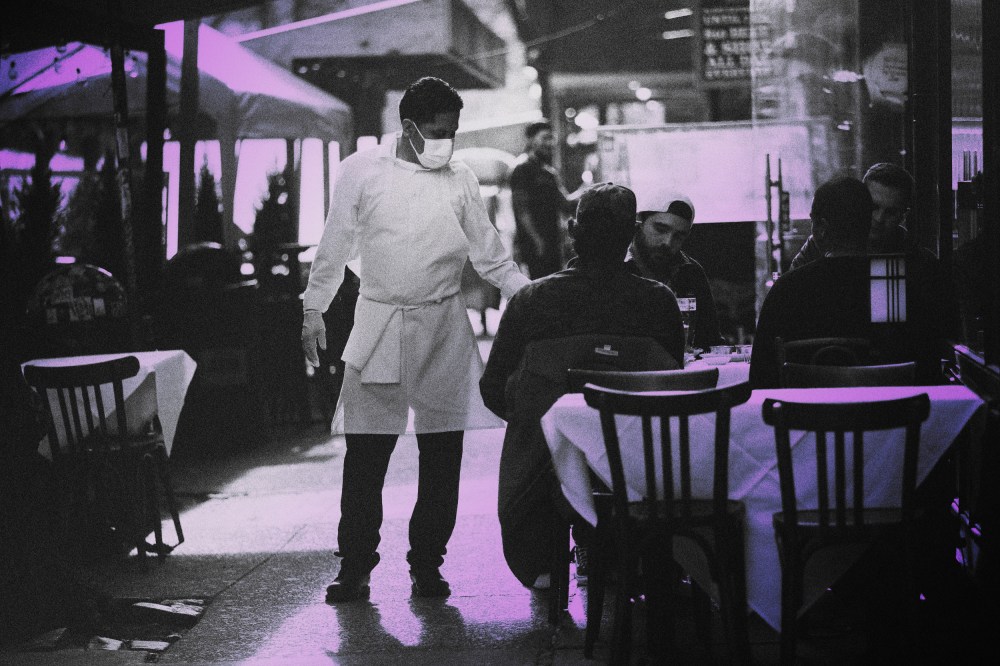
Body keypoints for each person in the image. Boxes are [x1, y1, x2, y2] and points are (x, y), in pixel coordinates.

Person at [300, 76, 530, 602]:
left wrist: (529, 295)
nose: (446, 141)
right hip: (378, 321)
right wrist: (313, 308)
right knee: (366, 457)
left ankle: (428, 563)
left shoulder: (460, 178)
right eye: (437, 131)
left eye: (452, 132)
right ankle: (355, 564)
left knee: (443, 453)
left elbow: (490, 255)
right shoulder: (360, 171)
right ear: (408, 128)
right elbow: (333, 246)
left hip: (444, 324)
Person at [481, 182, 684, 588]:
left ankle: (547, 558)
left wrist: (552, 425)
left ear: (572, 230)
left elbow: (494, 389)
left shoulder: (531, 302)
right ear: (631, 237)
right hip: (637, 468)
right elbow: (674, 385)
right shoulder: (659, 303)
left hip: (547, 471)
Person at [750, 176, 953, 388]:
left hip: (806, 417)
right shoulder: (892, 285)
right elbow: (927, 372)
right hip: (888, 416)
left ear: (821, 227)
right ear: (868, 223)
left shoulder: (788, 289)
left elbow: (762, 376)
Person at [625, 189, 724, 351]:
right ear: (639, 222)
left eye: (679, 236)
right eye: (660, 229)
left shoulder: (691, 273)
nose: (668, 242)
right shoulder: (616, 267)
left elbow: (710, 341)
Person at [789, 162, 922, 271]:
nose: (878, 218)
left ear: (903, 216)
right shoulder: (820, 244)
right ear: (860, 202)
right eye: (873, 207)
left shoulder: (916, 257)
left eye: (891, 212)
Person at [509, 121, 583, 279]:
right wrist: (537, 241)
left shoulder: (549, 172)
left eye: (552, 138)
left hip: (552, 244)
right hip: (534, 246)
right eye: (545, 138)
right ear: (531, 140)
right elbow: (522, 211)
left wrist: (587, 189)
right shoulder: (521, 169)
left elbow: (565, 205)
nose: (549, 143)